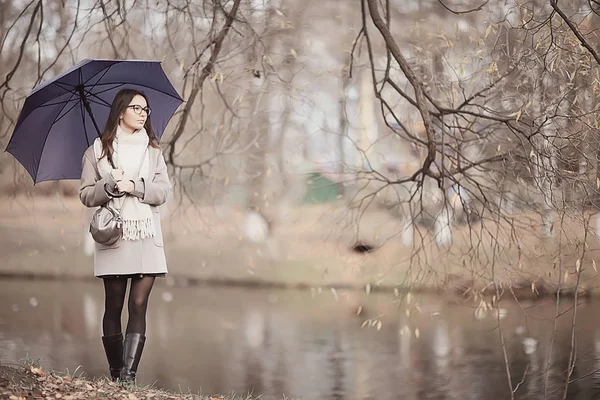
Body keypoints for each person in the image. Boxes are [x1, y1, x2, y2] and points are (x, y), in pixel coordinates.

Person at [79, 88, 171, 385]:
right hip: (114, 237)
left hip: (146, 237)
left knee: (139, 305)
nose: (143, 113)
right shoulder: (96, 151)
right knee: (113, 305)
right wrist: (109, 185)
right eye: (137, 108)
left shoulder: (154, 152)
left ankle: (128, 379)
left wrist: (135, 186)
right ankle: (116, 372)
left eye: (146, 109)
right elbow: (85, 195)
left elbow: (163, 192)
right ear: (121, 111)